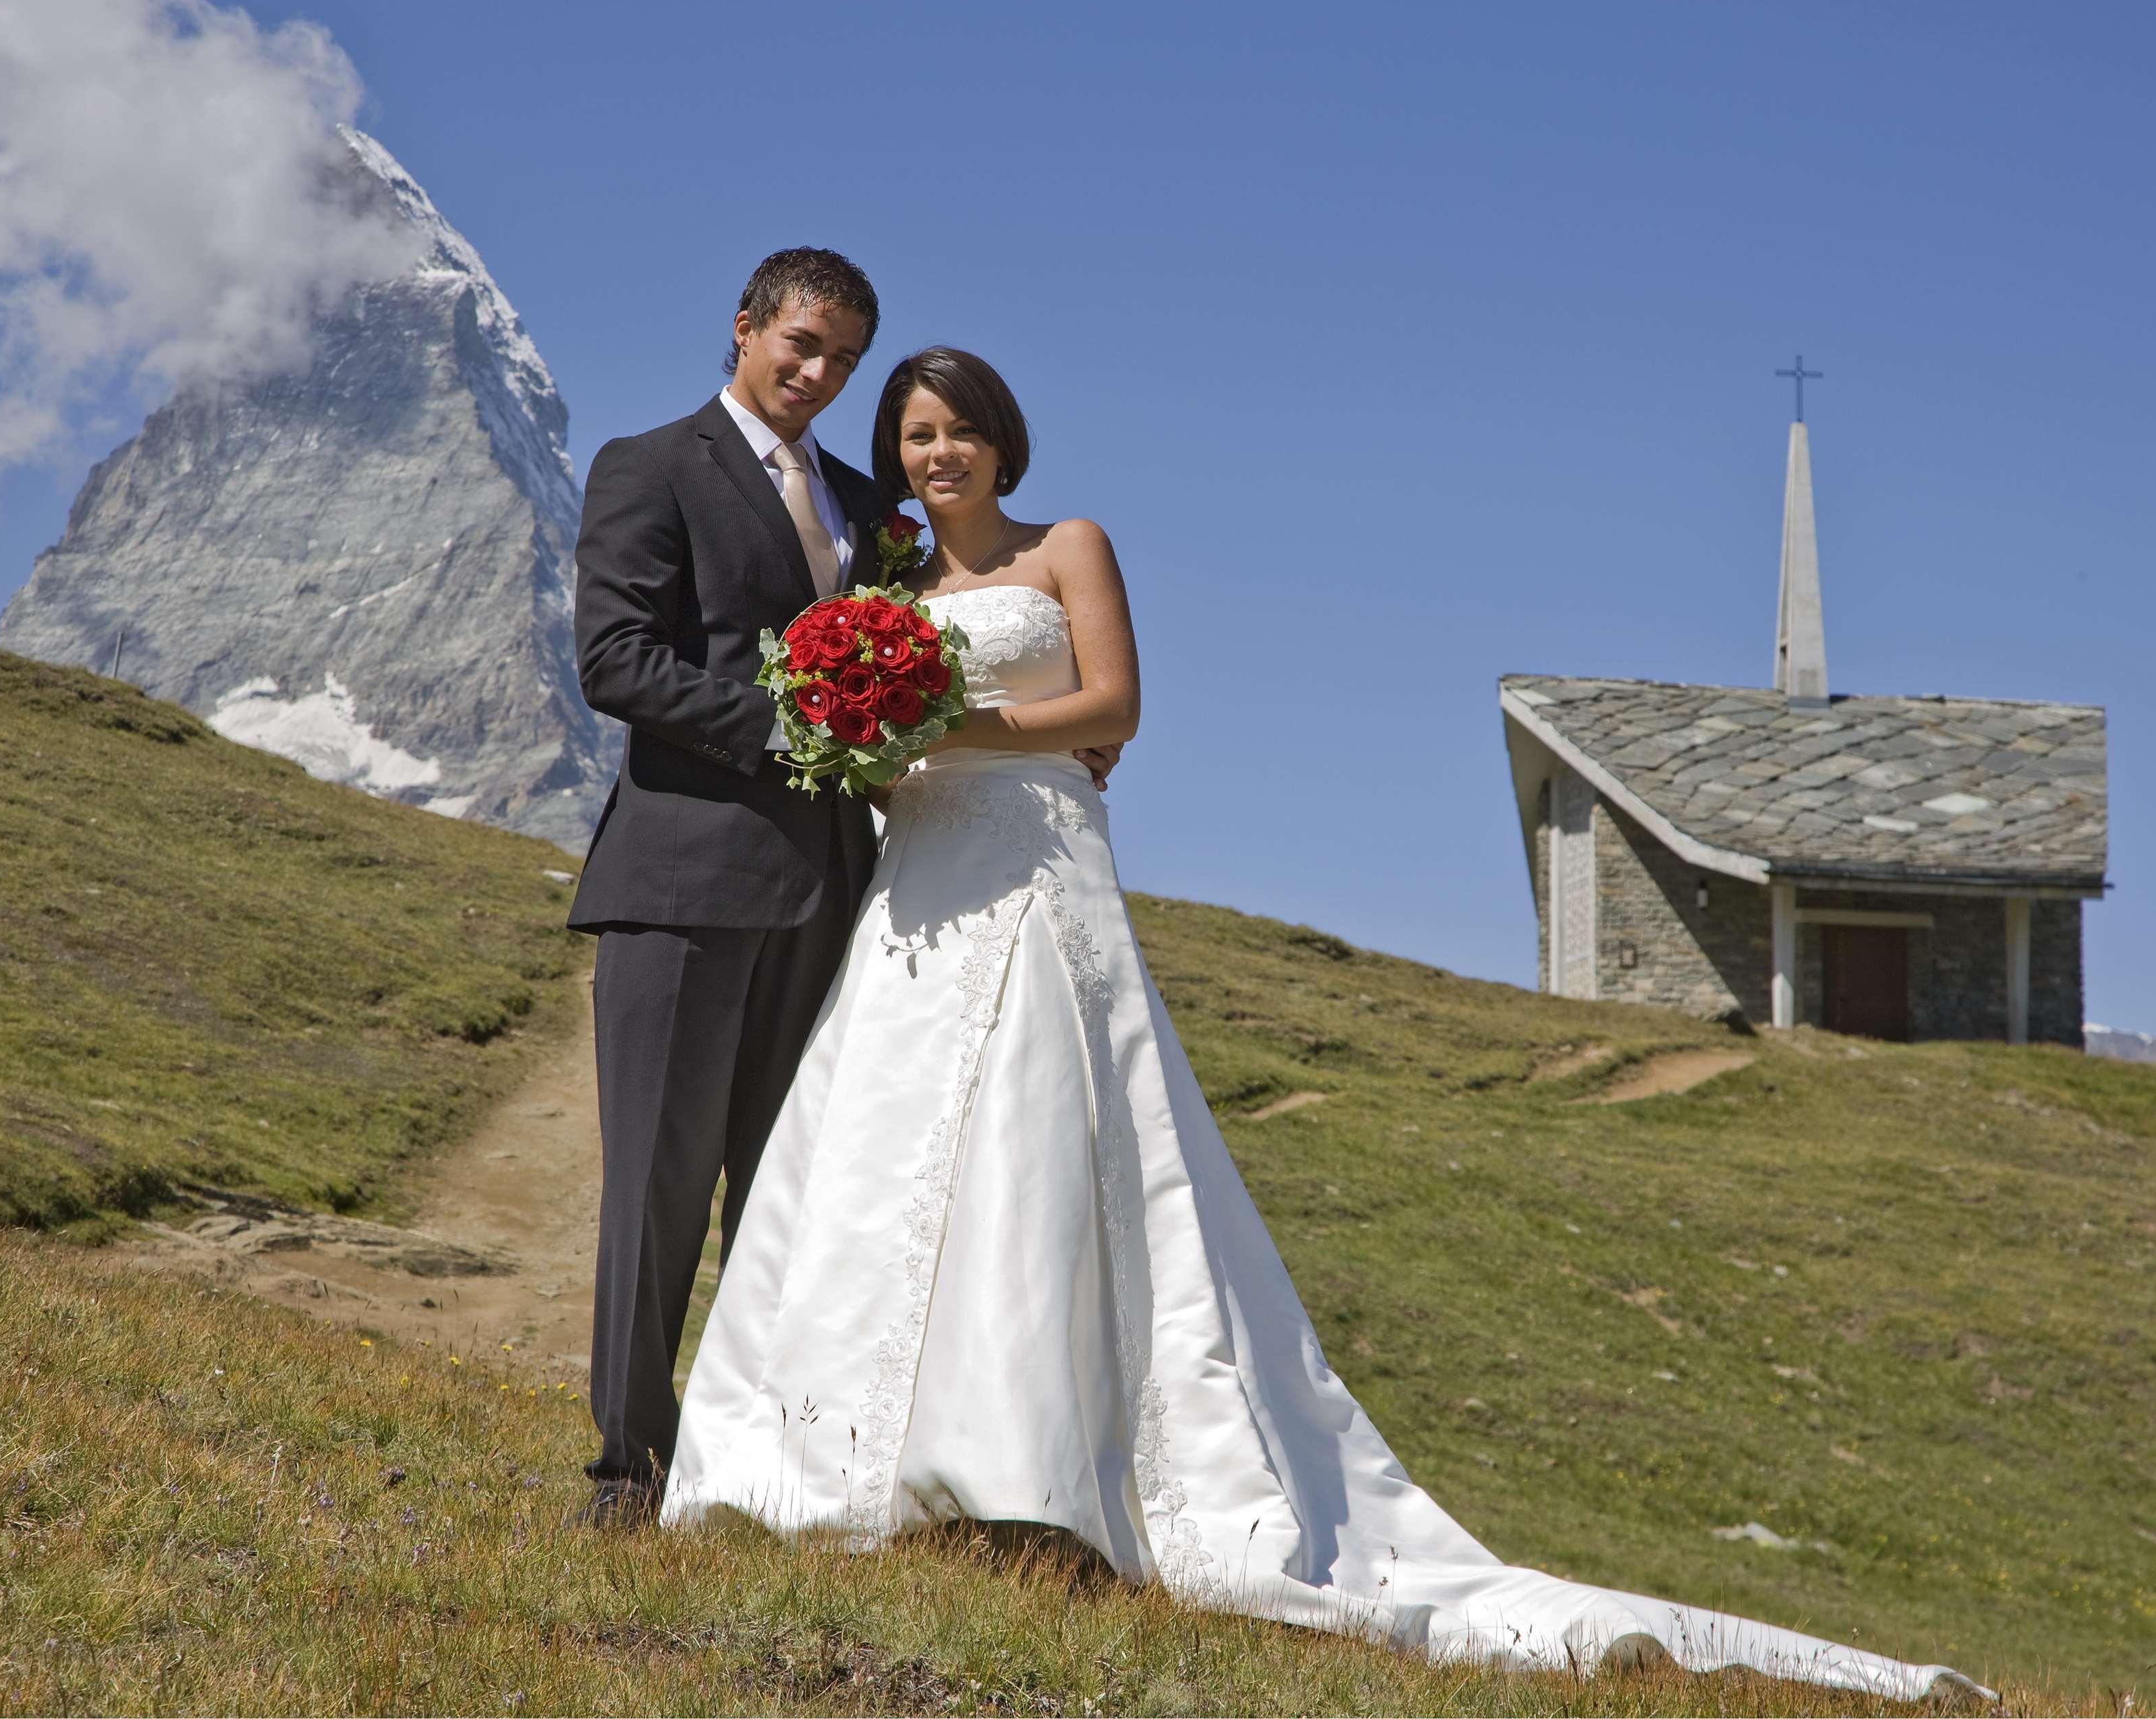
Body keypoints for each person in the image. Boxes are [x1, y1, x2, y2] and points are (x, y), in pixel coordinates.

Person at [662, 346, 1993, 1704]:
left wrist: (967, 721)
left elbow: (1114, 707)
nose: (936, 453)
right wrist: (876, 733)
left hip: (1041, 867)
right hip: (921, 883)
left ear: (1004, 440)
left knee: (1040, 1141)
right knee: (882, 1146)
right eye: (915, 434)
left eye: (957, 430)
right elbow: (862, 731)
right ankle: (845, 1463)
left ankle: (1038, 1475)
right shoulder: (891, 587)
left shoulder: (1071, 546)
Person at [564, 252, 1118, 1527]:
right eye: (803, 345)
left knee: (792, 1194)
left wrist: (1053, 732)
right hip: (682, 880)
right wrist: (800, 722)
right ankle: (626, 1469)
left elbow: (950, 653)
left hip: (837, 895)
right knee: (656, 1185)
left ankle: (757, 1466)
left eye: (844, 359)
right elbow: (618, 662)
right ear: (748, 328)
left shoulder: (877, 514)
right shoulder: (648, 467)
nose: (819, 373)